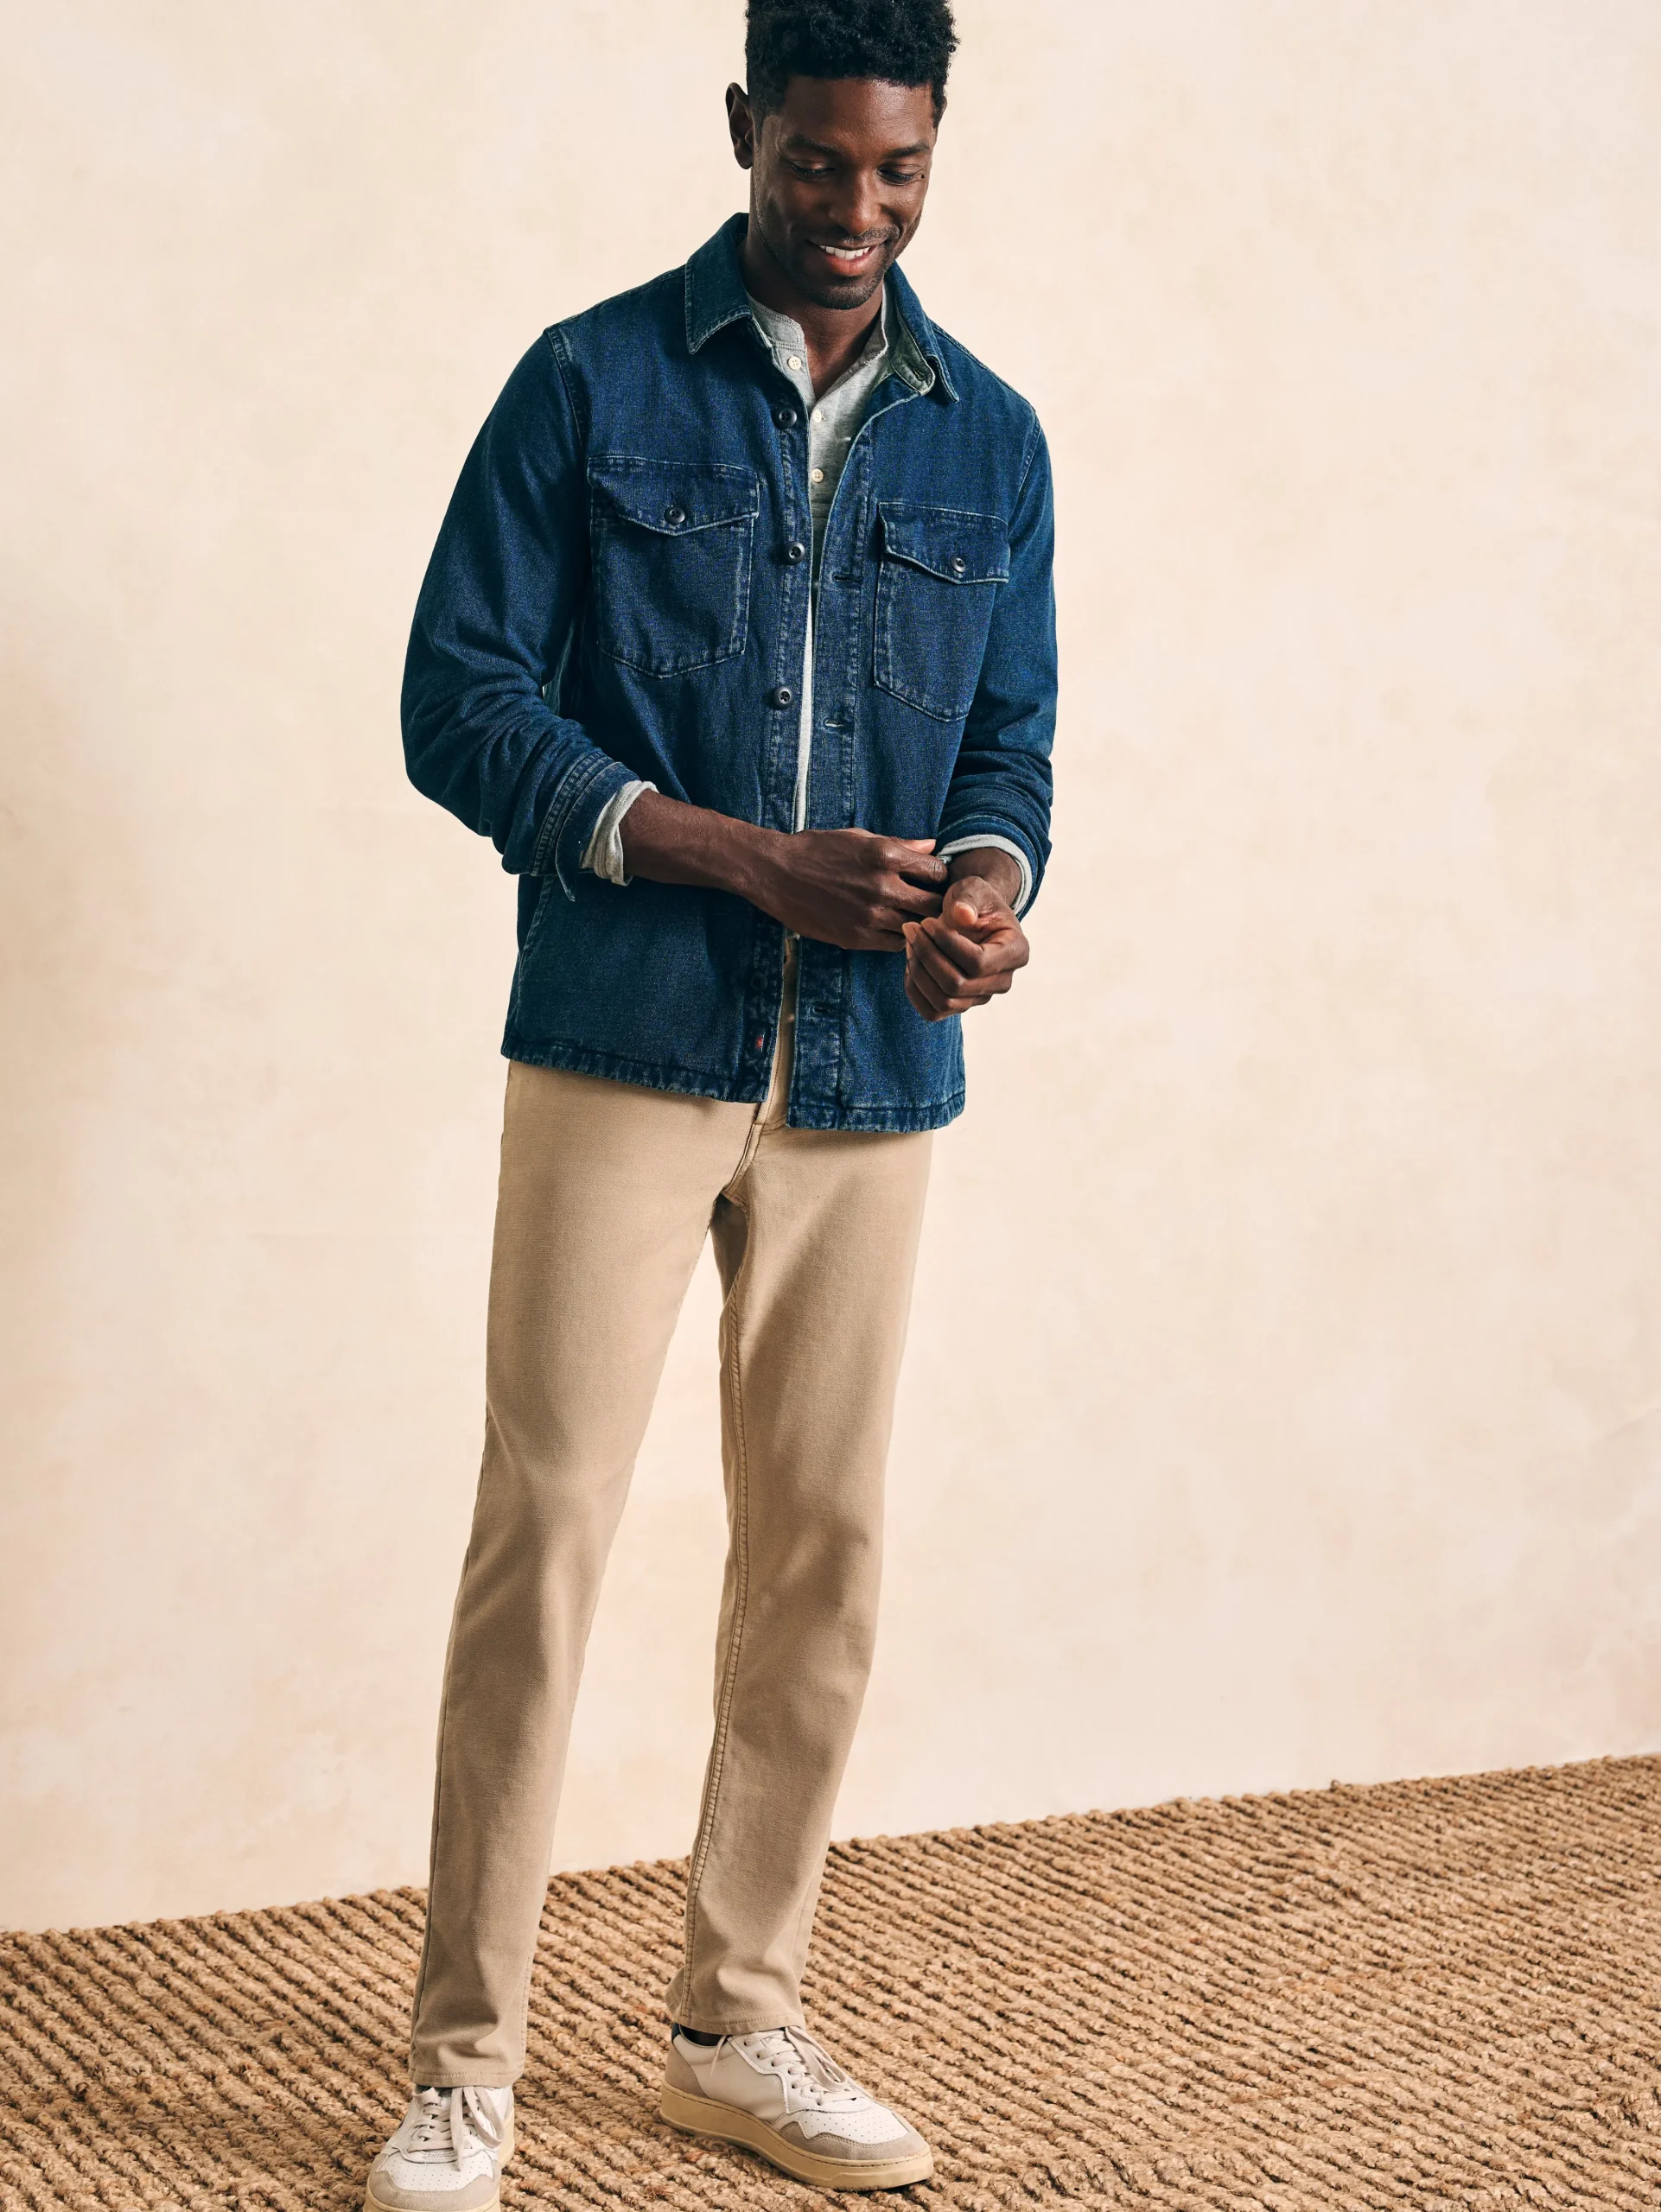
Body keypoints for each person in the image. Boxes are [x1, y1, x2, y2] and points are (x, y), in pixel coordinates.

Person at [366, 0, 1055, 2201]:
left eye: (897, 169)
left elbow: (1009, 745)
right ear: (745, 126)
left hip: (873, 1073)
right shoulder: (586, 383)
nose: (855, 209)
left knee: (821, 1544)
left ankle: (735, 2021)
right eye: (816, 161)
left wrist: (984, 896)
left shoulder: (992, 438)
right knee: (545, 1525)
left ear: (933, 151)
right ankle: (465, 2059)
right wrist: (743, 855)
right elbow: (456, 700)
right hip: (621, 1039)